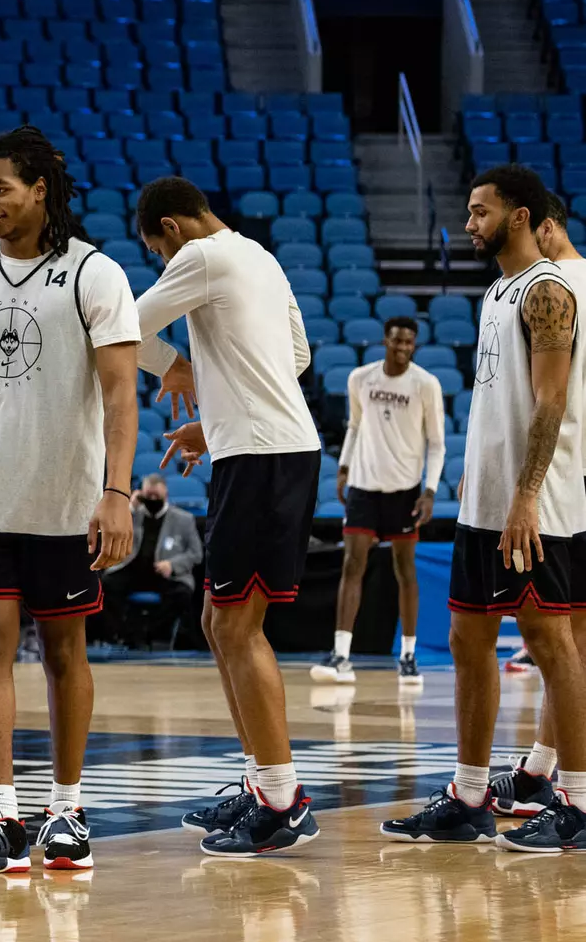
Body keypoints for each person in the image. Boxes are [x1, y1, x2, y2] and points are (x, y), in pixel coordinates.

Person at [0, 126, 140, 875]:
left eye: (0, 190)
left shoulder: (93, 273)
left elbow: (120, 392)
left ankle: (65, 807)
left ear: (40, 188)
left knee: (61, 650)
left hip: (66, 502)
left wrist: (116, 493)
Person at [381, 165, 586, 853]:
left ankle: (579, 803)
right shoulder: (496, 291)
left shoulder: (547, 292)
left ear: (520, 216)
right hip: (484, 504)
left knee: (551, 646)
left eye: (479, 212)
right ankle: (469, 797)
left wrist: (525, 495)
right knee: (469, 642)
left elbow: (550, 401)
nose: (467, 224)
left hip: (533, 508)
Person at [135, 176, 324, 857]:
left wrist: (177, 364)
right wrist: (213, 423)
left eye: (156, 251)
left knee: (237, 625)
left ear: (171, 229)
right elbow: (296, 358)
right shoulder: (260, 257)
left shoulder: (200, 256)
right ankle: (259, 781)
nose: (163, 264)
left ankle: (281, 800)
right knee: (221, 620)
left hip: (264, 458)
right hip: (265, 448)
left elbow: (125, 327)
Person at [487, 190, 586, 816]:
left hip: (562, 479)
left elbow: (552, 396)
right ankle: (542, 770)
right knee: (572, 637)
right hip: (571, 474)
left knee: (561, 638)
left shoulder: (552, 284)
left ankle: (567, 790)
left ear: (541, 227)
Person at [313, 316, 445, 687]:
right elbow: (355, 426)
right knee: (352, 566)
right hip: (364, 487)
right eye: (397, 341)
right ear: (385, 341)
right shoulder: (360, 379)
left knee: (406, 573)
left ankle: (407, 655)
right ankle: (341, 654)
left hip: (405, 490)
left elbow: (436, 443)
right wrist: (343, 467)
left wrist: (430, 490)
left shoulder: (426, 385)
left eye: (409, 343)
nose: (403, 348)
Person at [102, 472, 203, 648]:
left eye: (157, 495)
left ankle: (151, 634)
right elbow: (112, 531)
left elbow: (196, 553)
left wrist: (173, 564)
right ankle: (125, 635)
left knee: (182, 594)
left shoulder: (183, 519)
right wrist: (131, 509)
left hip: (164, 573)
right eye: (149, 496)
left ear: (166, 495)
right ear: (141, 495)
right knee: (107, 584)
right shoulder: (132, 515)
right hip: (133, 570)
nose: (153, 499)